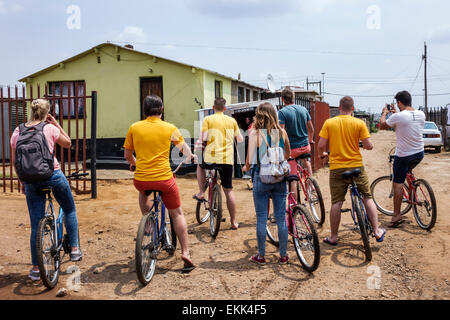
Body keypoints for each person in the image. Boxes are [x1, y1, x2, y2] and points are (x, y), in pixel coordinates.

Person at [10, 99, 82, 281]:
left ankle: (35, 269)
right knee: (69, 208)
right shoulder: (49, 128)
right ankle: (74, 249)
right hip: (53, 175)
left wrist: (22, 182)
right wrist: (56, 123)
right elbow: (68, 143)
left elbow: (14, 161)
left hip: (31, 181)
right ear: (47, 113)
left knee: (36, 224)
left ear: (31, 111)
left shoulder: (18, 130)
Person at [124, 95, 195, 272]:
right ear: (162, 110)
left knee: (143, 193)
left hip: (141, 178)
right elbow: (184, 149)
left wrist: (135, 164)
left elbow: (127, 156)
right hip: (164, 179)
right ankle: (186, 252)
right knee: (177, 214)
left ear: (144, 111)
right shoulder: (170, 128)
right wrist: (190, 156)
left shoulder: (134, 127)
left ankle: (148, 224)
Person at [318, 96, 386, 246]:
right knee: (367, 197)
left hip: (337, 168)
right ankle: (377, 230)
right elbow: (368, 145)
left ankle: (334, 237)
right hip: (356, 166)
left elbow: (321, 144)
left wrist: (322, 154)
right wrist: (365, 145)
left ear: (339, 108)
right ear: (353, 109)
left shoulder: (330, 123)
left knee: (337, 202)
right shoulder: (359, 123)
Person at [243, 102, 291, 265]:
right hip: (279, 178)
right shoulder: (282, 132)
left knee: (262, 217)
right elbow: (288, 153)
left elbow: (249, 160)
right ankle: (283, 255)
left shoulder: (256, 134)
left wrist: (245, 167)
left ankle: (261, 255)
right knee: (281, 218)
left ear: (259, 115)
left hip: (261, 178)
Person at [193, 97, 243, 230]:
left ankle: (201, 192)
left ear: (213, 107)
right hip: (227, 160)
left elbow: (203, 138)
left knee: (200, 165)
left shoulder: (208, 119)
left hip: (210, 158)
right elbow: (240, 139)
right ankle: (233, 221)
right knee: (228, 190)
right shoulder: (232, 121)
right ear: (225, 108)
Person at [380, 91, 425, 227]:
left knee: (397, 183)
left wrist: (384, 113)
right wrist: (395, 113)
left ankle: (396, 215)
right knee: (408, 171)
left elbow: (382, 125)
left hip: (404, 155)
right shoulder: (420, 114)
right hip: (419, 153)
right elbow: (405, 123)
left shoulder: (399, 116)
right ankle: (412, 187)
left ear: (399, 102)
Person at [278, 88, 315, 196]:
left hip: (292, 150)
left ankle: (294, 206)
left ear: (283, 99)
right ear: (293, 98)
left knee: (292, 177)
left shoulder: (282, 112)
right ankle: (311, 184)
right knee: (306, 161)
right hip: (305, 146)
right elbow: (311, 129)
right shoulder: (303, 109)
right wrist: (310, 140)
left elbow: (281, 132)